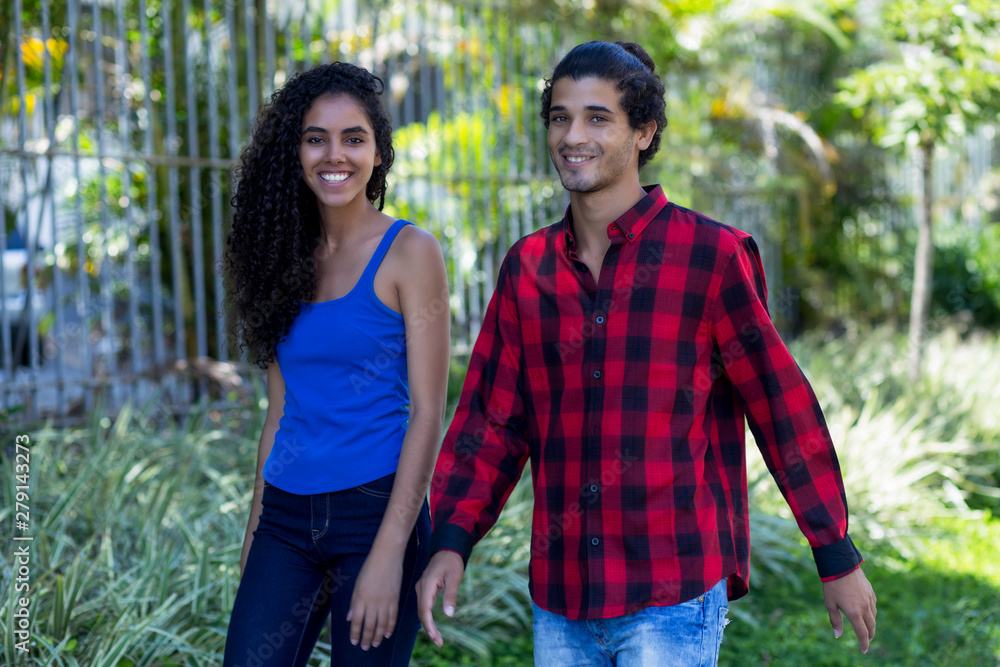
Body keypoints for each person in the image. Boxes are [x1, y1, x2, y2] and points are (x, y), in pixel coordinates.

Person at [416, 41, 876, 666]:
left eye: (597, 118)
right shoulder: (527, 268)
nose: (572, 136)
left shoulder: (710, 257)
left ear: (644, 132)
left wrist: (834, 550)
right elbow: (492, 420)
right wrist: (451, 538)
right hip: (562, 598)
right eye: (560, 117)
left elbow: (779, 405)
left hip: (673, 594)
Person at [223, 62, 450, 667]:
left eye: (354, 138)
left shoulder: (410, 252)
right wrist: (254, 536)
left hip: (375, 510)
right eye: (315, 138)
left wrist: (390, 553)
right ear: (294, 152)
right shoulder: (279, 256)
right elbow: (279, 413)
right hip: (285, 518)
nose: (335, 155)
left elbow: (428, 413)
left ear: (378, 152)